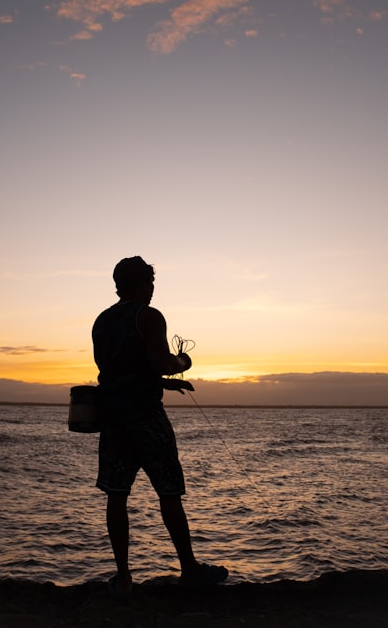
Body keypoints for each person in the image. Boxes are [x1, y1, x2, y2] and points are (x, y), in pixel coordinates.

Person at [91, 256, 228, 598]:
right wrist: (183, 363)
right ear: (142, 283)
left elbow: (121, 371)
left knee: (116, 496)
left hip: (113, 419)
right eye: (151, 282)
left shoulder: (101, 321)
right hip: (147, 420)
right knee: (169, 494)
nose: (153, 288)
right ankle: (190, 570)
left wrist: (163, 384)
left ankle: (123, 579)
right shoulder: (149, 316)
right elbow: (159, 363)